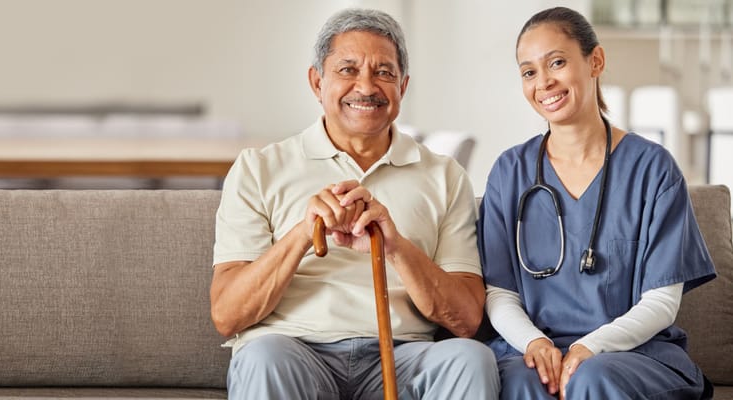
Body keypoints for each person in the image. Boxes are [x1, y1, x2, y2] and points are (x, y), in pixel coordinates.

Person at [210, 7, 499, 400]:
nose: (366, 86)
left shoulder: (445, 177)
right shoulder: (258, 168)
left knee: (469, 359)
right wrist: (303, 234)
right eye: (347, 70)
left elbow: (466, 319)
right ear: (317, 82)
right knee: (263, 357)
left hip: (403, 355)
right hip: (292, 351)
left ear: (403, 86)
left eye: (384, 72)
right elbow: (227, 316)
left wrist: (396, 247)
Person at [478, 6, 717, 400]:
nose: (544, 83)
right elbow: (500, 293)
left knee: (592, 376)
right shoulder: (510, 172)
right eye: (529, 72)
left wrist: (589, 347)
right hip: (534, 347)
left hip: (631, 353)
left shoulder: (651, 168)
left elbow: (660, 301)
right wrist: (536, 345)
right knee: (521, 381)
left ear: (596, 61)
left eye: (557, 62)